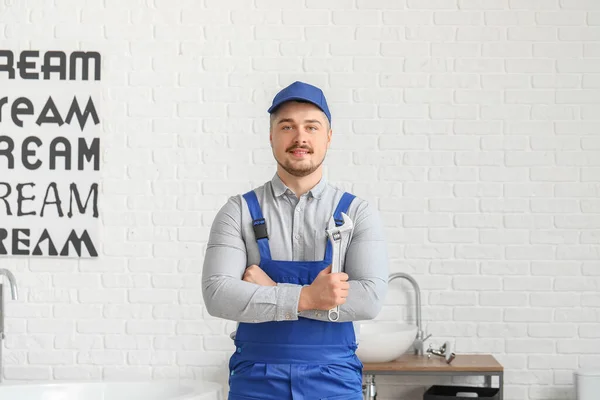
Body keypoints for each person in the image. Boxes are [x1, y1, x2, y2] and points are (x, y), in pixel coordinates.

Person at [202, 81, 389, 400]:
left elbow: (369, 299)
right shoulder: (238, 211)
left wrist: (271, 291)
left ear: (328, 136)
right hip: (256, 383)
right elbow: (217, 294)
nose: (300, 137)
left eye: (311, 127)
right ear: (271, 135)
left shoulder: (357, 213)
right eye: (287, 126)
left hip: (335, 384)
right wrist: (312, 297)